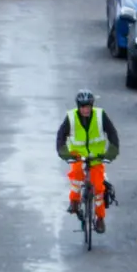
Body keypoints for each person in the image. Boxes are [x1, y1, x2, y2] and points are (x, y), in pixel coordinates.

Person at [55, 91, 120, 219]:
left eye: (88, 107)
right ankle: (74, 201)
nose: (86, 110)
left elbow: (113, 134)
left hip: (96, 157)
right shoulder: (71, 117)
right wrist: (66, 154)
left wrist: (110, 154)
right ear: (78, 107)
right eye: (83, 107)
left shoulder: (100, 115)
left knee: (99, 188)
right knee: (76, 176)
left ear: (92, 106)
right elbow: (60, 137)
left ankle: (100, 217)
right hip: (77, 156)